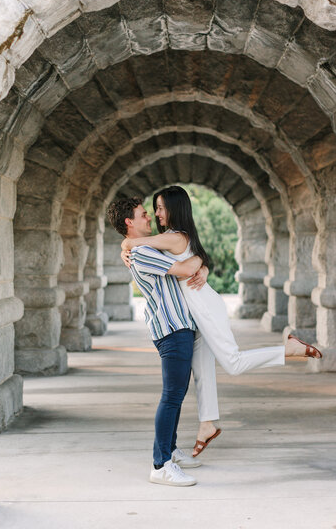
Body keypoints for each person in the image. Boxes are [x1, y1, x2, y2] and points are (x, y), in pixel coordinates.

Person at [120, 186, 323, 457]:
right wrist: (201, 263)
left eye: (159, 208)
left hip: (204, 307)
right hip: (194, 314)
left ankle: (289, 349)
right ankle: (207, 425)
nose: (156, 214)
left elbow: (141, 244)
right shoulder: (172, 237)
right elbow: (177, 255)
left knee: (233, 363)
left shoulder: (174, 236)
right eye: (153, 209)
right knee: (202, 371)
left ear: (174, 208)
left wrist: (126, 243)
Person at [107, 197, 207, 487]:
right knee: (172, 396)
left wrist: (199, 261)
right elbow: (187, 269)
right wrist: (201, 257)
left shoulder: (142, 249)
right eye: (143, 215)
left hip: (177, 327)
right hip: (171, 329)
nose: (149, 218)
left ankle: (171, 451)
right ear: (129, 222)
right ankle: (160, 464)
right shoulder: (141, 254)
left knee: (176, 395)